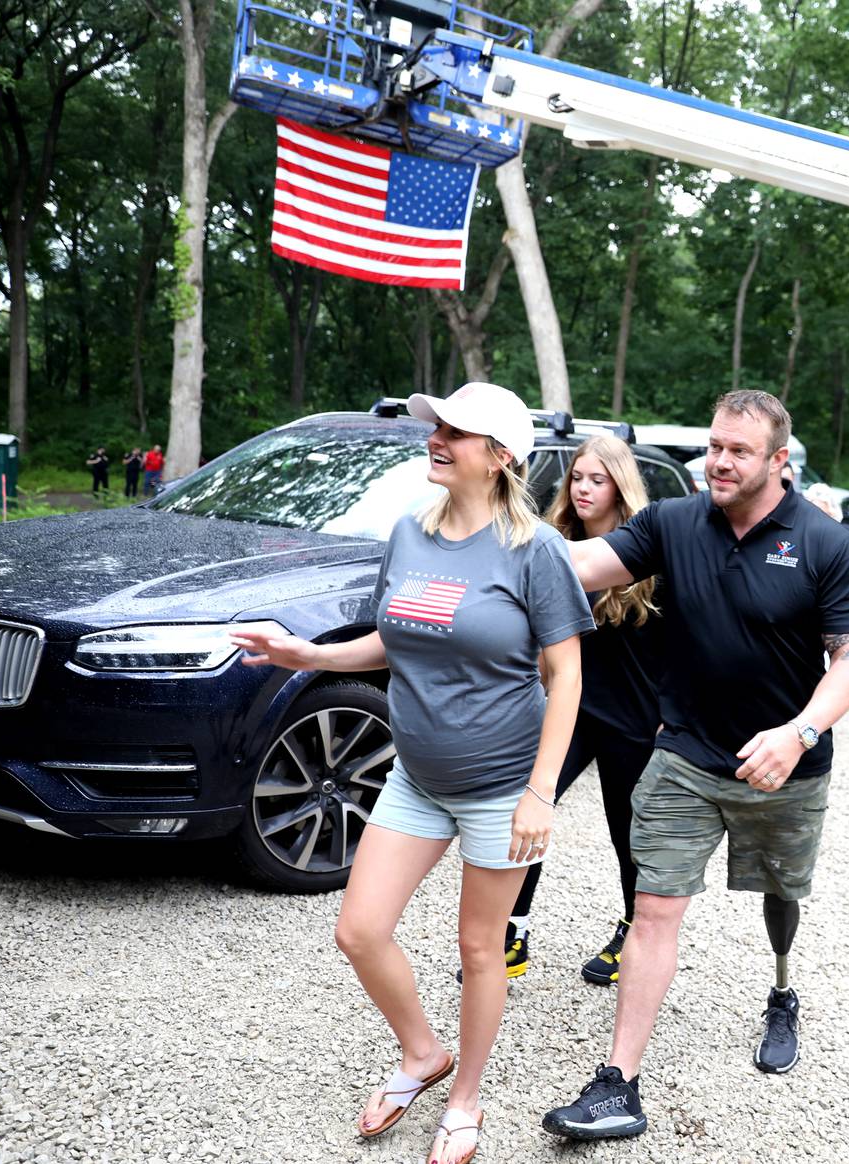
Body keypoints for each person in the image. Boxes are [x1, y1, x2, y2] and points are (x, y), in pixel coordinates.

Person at [230, 382, 594, 1164]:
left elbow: (565, 676)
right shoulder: (410, 532)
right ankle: (423, 1054)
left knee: (478, 949)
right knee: (358, 930)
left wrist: (540, 792)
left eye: (455, 432)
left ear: (500, 458)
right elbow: (398, 639)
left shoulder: (538, 551)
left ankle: (465, 1101)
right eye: (437, 427)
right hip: (416, 777)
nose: (436, 438)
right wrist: (313, 655)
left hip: (502, 787)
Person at [540, 390, 849, 1140]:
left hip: (782, 767)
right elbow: (583, 563)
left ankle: (782, 989)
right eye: (716, 446)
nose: (720, 461)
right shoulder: (674, 521)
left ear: (779, 460)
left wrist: (800, 732)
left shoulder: (824, 544)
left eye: (739, 451)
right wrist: (485, 546)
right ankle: (618, 1084)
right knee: (653, 910)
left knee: (780, 899)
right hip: (684, 753)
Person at [498, 434, 664, 985]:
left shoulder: (650, 556)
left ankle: (631, 928)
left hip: (635, 722)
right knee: (527, 812)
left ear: (621, 485)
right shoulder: (554, 544)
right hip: (569, 712)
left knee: (628, 834)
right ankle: (511, 934)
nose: (584, 488)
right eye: (578, 478)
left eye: (598, 478)